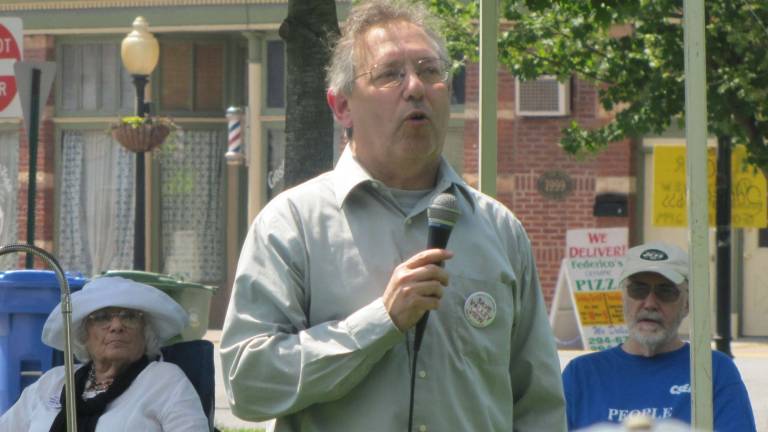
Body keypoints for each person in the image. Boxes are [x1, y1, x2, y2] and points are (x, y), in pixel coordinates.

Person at [220, 1, 566, 431]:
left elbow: (539, 407)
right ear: (342, 106)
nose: (416, 87)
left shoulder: (499, 230)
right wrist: (381, 322)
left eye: (430, 70)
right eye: (390, 74)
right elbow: (248, 385)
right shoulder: (292, 225)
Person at [562, 242, 756, 431]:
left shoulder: (712, 370)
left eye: (666, 291)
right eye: (638, 289)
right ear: (623, 298)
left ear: (687, 304)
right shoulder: (581, 374)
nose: (650, 303)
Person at [0, 276, 209, 431]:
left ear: (145, 332)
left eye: (129, 317)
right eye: (102, 318)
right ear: (84, 335)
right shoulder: (53, 382)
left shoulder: (164, 380)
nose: (116, 326)